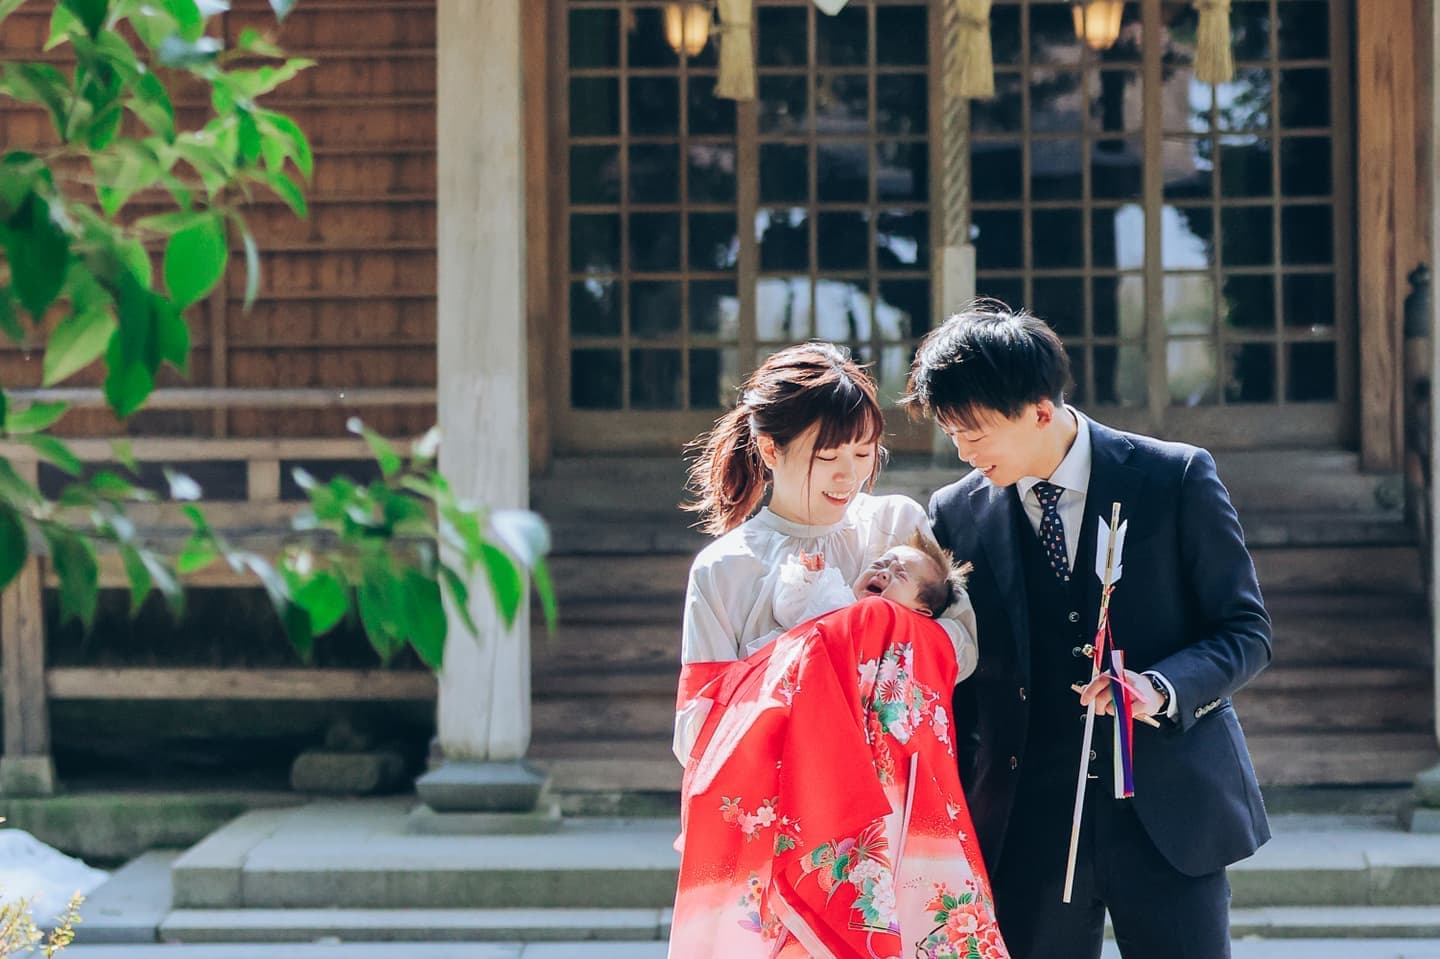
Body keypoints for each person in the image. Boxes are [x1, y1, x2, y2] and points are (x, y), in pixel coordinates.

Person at [902, 303, 1272, 959]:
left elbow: (1244, 630)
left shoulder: (1174, 476)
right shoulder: (955, 511)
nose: (963, 450)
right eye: (953, 432)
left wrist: (1159, 687)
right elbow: (957, 683)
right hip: (1026, 821)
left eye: (977, 430)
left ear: (1040, 409)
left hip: (1168, 815)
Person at [675, 341, 978, 763]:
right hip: (783, 802)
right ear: (769, 450)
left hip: (891, 804)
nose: (848, 476)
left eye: (862, 453)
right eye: (827, 456)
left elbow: (961, 644)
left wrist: (878, 639)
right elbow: (698, 726)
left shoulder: (896, 523)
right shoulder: (724, 568)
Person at [771, 532, 969, 627]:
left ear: (920, 610)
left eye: (900, 574)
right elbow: (789, 613)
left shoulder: (913, 641)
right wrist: (807, 579)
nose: (882, 573)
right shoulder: (839, 602)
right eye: (879, 564)